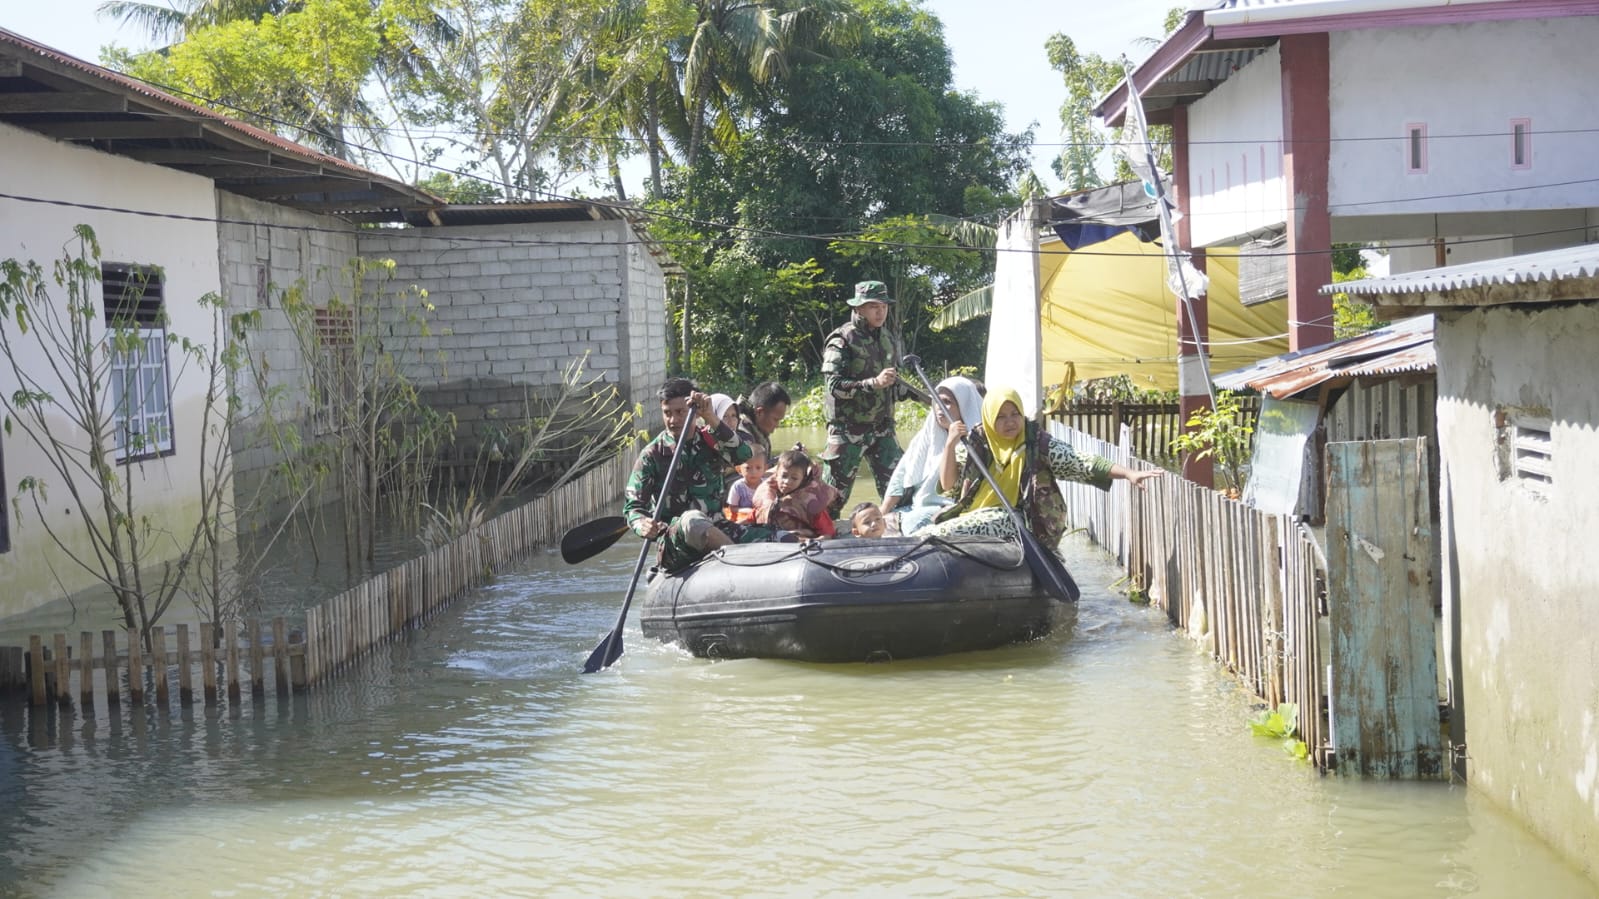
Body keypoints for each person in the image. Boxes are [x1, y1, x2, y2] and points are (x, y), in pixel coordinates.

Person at [912, 386, 1163, 550]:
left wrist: (1129, 473)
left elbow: (1081, 461)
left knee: (939, 532)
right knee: (927, 528)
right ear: (989, 418)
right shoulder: (976, 442)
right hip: (971, 513)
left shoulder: (1037, 444)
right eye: (1000, 416)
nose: (1010, 422)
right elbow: (948, 486)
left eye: (1015, 414)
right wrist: (949, 444)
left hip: (1020, 518)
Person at [624, 378, 773, 573]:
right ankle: (741, 565)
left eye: (680, 412)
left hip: (719, 527)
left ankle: (740, 558)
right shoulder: (652, 455)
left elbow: (743, 455)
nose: (673, 420)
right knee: (692, 519)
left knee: (782, 537)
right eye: (667, 413)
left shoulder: (710, 440)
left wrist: (711, 416)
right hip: (676, 539)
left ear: (693, 413)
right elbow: (633, 507)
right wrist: (641, 524)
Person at [819, 280, 925, 517]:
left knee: (901, 488)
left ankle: (900, 533)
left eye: (884, 306)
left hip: (882, 428)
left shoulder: (887, 337)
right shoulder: (841, 340)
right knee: (831, 499)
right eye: (874, 306)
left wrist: (917, 395)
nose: (881, 312)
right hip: (848, 430)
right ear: (859, 309)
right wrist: (872, 383)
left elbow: (891, 386)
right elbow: (834, 386)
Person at [881, 375, 983, 535]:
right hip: (918, 505)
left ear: (963, 405)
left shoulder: (976, 442)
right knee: (872, 521)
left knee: (912, 524)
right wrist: (883, 510)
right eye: (937, 401)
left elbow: (952, 487)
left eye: (947, 402)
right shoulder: (927, 435)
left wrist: (951, 443)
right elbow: (901, 474)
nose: (940, 408)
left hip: (947, 509)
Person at [753, 445, 840, 540]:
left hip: (799, 538)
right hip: (771, 535)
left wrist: (810, 541)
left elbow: (828, 533)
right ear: (776, 474)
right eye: (784, 476)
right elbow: (755, 515)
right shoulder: (767, 492)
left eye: (794, 478)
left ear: (803, 479)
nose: (787, 482)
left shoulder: (812, 502)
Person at [733, 381, 791, 463]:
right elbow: (751, 471)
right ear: (759, 412)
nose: (777, 425)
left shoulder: (757, 428)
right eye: (775, 419)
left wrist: (792, 457)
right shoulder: (742, 434)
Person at [724, 446, 768, 524]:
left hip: (762, 518)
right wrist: (747, 511)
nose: (753, 472)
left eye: (758, 468)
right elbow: (732, 508)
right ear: (739, 469)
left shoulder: (766, 485)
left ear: (765, 469)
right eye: (748, 468)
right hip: (744, 518)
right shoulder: (738, 486)